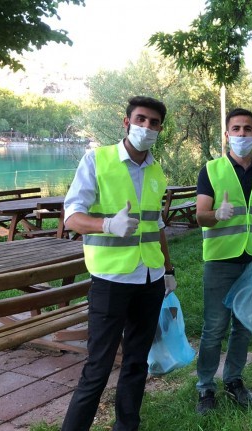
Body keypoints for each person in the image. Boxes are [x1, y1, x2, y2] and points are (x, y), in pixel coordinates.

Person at [61, 96, 177, 430]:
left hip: (150, 280)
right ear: (126, 123)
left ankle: (127, 426)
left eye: (154, 123)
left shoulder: (156, 170)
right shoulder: (97, 160)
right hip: (111, 281)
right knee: (97, 368)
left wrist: (168, 270)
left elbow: (157, 226)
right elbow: (72, 217)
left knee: (137, 363)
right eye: (140, 120)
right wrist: (107, 224)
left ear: (159, 129)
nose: (147, 127)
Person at [194, 108, 252, 415]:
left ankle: (234, 381)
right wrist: (215, 215)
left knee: (243, 327)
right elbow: (200, 215)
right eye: (236, 129)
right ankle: (205, 386)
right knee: (215, 327)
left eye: (248, 129)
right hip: (221, 259)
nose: (242, 134)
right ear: (227, 134)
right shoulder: (212, 170)